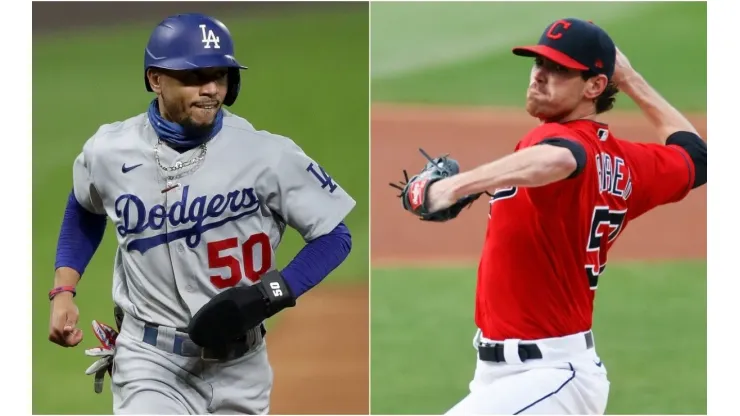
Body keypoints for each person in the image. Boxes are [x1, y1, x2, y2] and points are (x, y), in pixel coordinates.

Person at [394, 18, 706, 414]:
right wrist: (629, 78)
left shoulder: (556, 140)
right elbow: (696, 156)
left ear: (593, 86)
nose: (540, 76)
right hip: (521, 377)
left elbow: (562, 158)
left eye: (559, 69)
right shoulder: (628, 163)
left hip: (549, 376)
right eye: (539, 63)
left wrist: (455, 187)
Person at [47, 13, 356, 414]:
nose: (210, 89)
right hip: (150, 364)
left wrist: (270, 295)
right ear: (156, 79)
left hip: (242, 367)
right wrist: (64, 289)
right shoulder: (109, 151)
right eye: (195, 77)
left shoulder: (268, 155)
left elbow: (335, 235)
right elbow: (84, 206)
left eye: (220, 76)